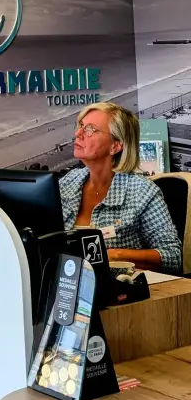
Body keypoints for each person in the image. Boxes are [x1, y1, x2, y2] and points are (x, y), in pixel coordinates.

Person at [60, 101, 181, 273]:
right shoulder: (67, 182)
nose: (78, 134)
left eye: (90, 129)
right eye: (80, 126)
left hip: (117, 285)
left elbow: (172, 256)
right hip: (67, 284)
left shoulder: (141, 191)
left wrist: (116, 255)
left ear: (115, 146)